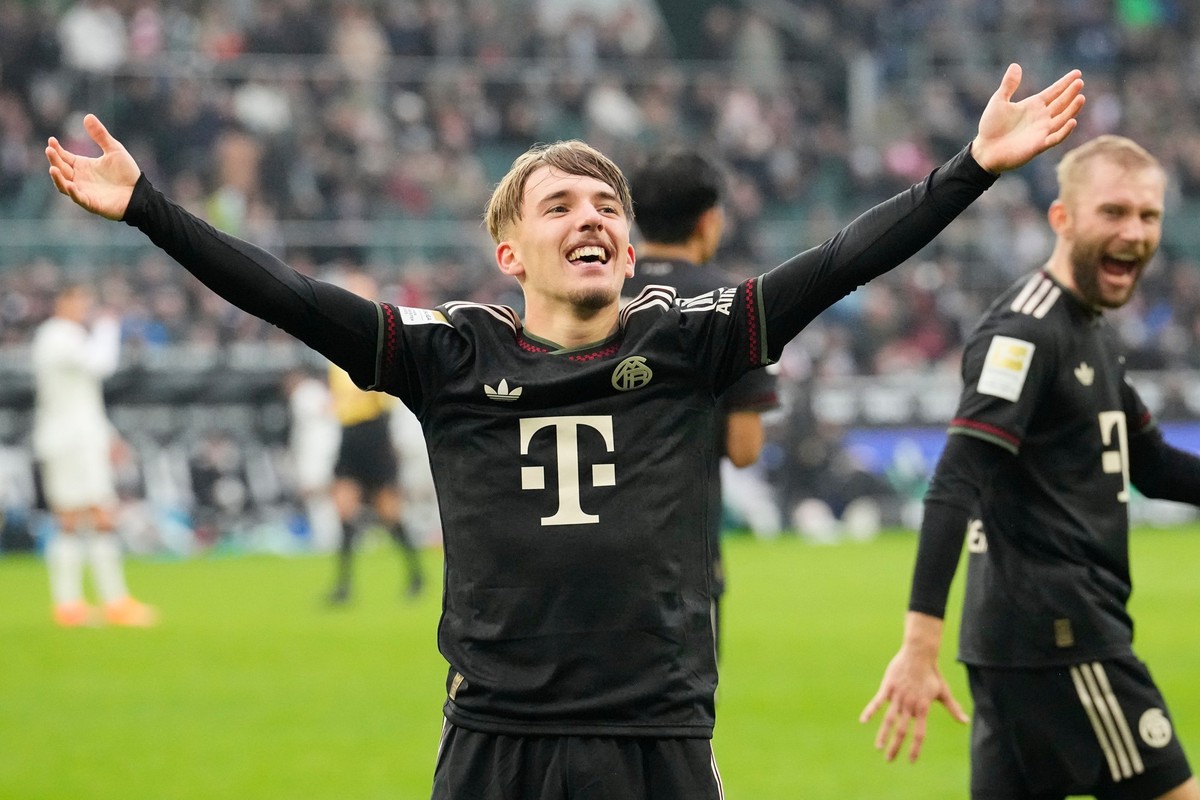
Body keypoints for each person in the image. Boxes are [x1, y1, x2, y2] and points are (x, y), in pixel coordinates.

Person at [46, 63, 1083, 798]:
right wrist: (149, 208)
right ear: (510, 251)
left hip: (655, 731)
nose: (591, 217)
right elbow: (286, 292)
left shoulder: (693, 339)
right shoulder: (450, 352)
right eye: (560, 205)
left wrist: (970, 168)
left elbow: (841, 259)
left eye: (607, 205)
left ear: (630, 249)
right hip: (497, 736)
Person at [861, 135, 1200, 800]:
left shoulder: (1085, 326)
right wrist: (919, 642)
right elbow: (957, 477)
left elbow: (1152, 465)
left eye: (1149, 216)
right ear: (1062, 218)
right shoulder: (1027, 330)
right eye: (1114, 212)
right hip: (1063, 633)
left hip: (1016, 639)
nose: (1135, 232)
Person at [623, 148, 779, 659]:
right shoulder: (733, 305)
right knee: (684, 725)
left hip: (585, 553)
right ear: (709, 221)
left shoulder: (592, 294)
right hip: (683, 557)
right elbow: (745, 448)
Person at [31, 282, 157, 627]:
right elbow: (100, 365)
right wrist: (108, 327)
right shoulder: (58, 335)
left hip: (75, 439)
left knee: (82, 518)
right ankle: (106, 603)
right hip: (70, 442)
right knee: (92, 516)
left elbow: (84, 396)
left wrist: (108, 437)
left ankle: (75, 604)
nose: (85, 308)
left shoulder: (61, 336)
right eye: (80, 301)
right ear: (63, 301)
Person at [324, 271, 424, 605]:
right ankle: (343, 586)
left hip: (373, 432)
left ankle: (416, 576)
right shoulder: (336, 341)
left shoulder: (379, 337)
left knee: (389, 513)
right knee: (344, 510)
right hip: (349, 433)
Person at [281, 366, 341, 552]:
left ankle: (327, 538)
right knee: (325, 496)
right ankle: (330, 536)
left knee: (316, 495)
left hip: (316, 451)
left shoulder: (304, 392)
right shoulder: (318, 390)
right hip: (329, 448)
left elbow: (319, 415)